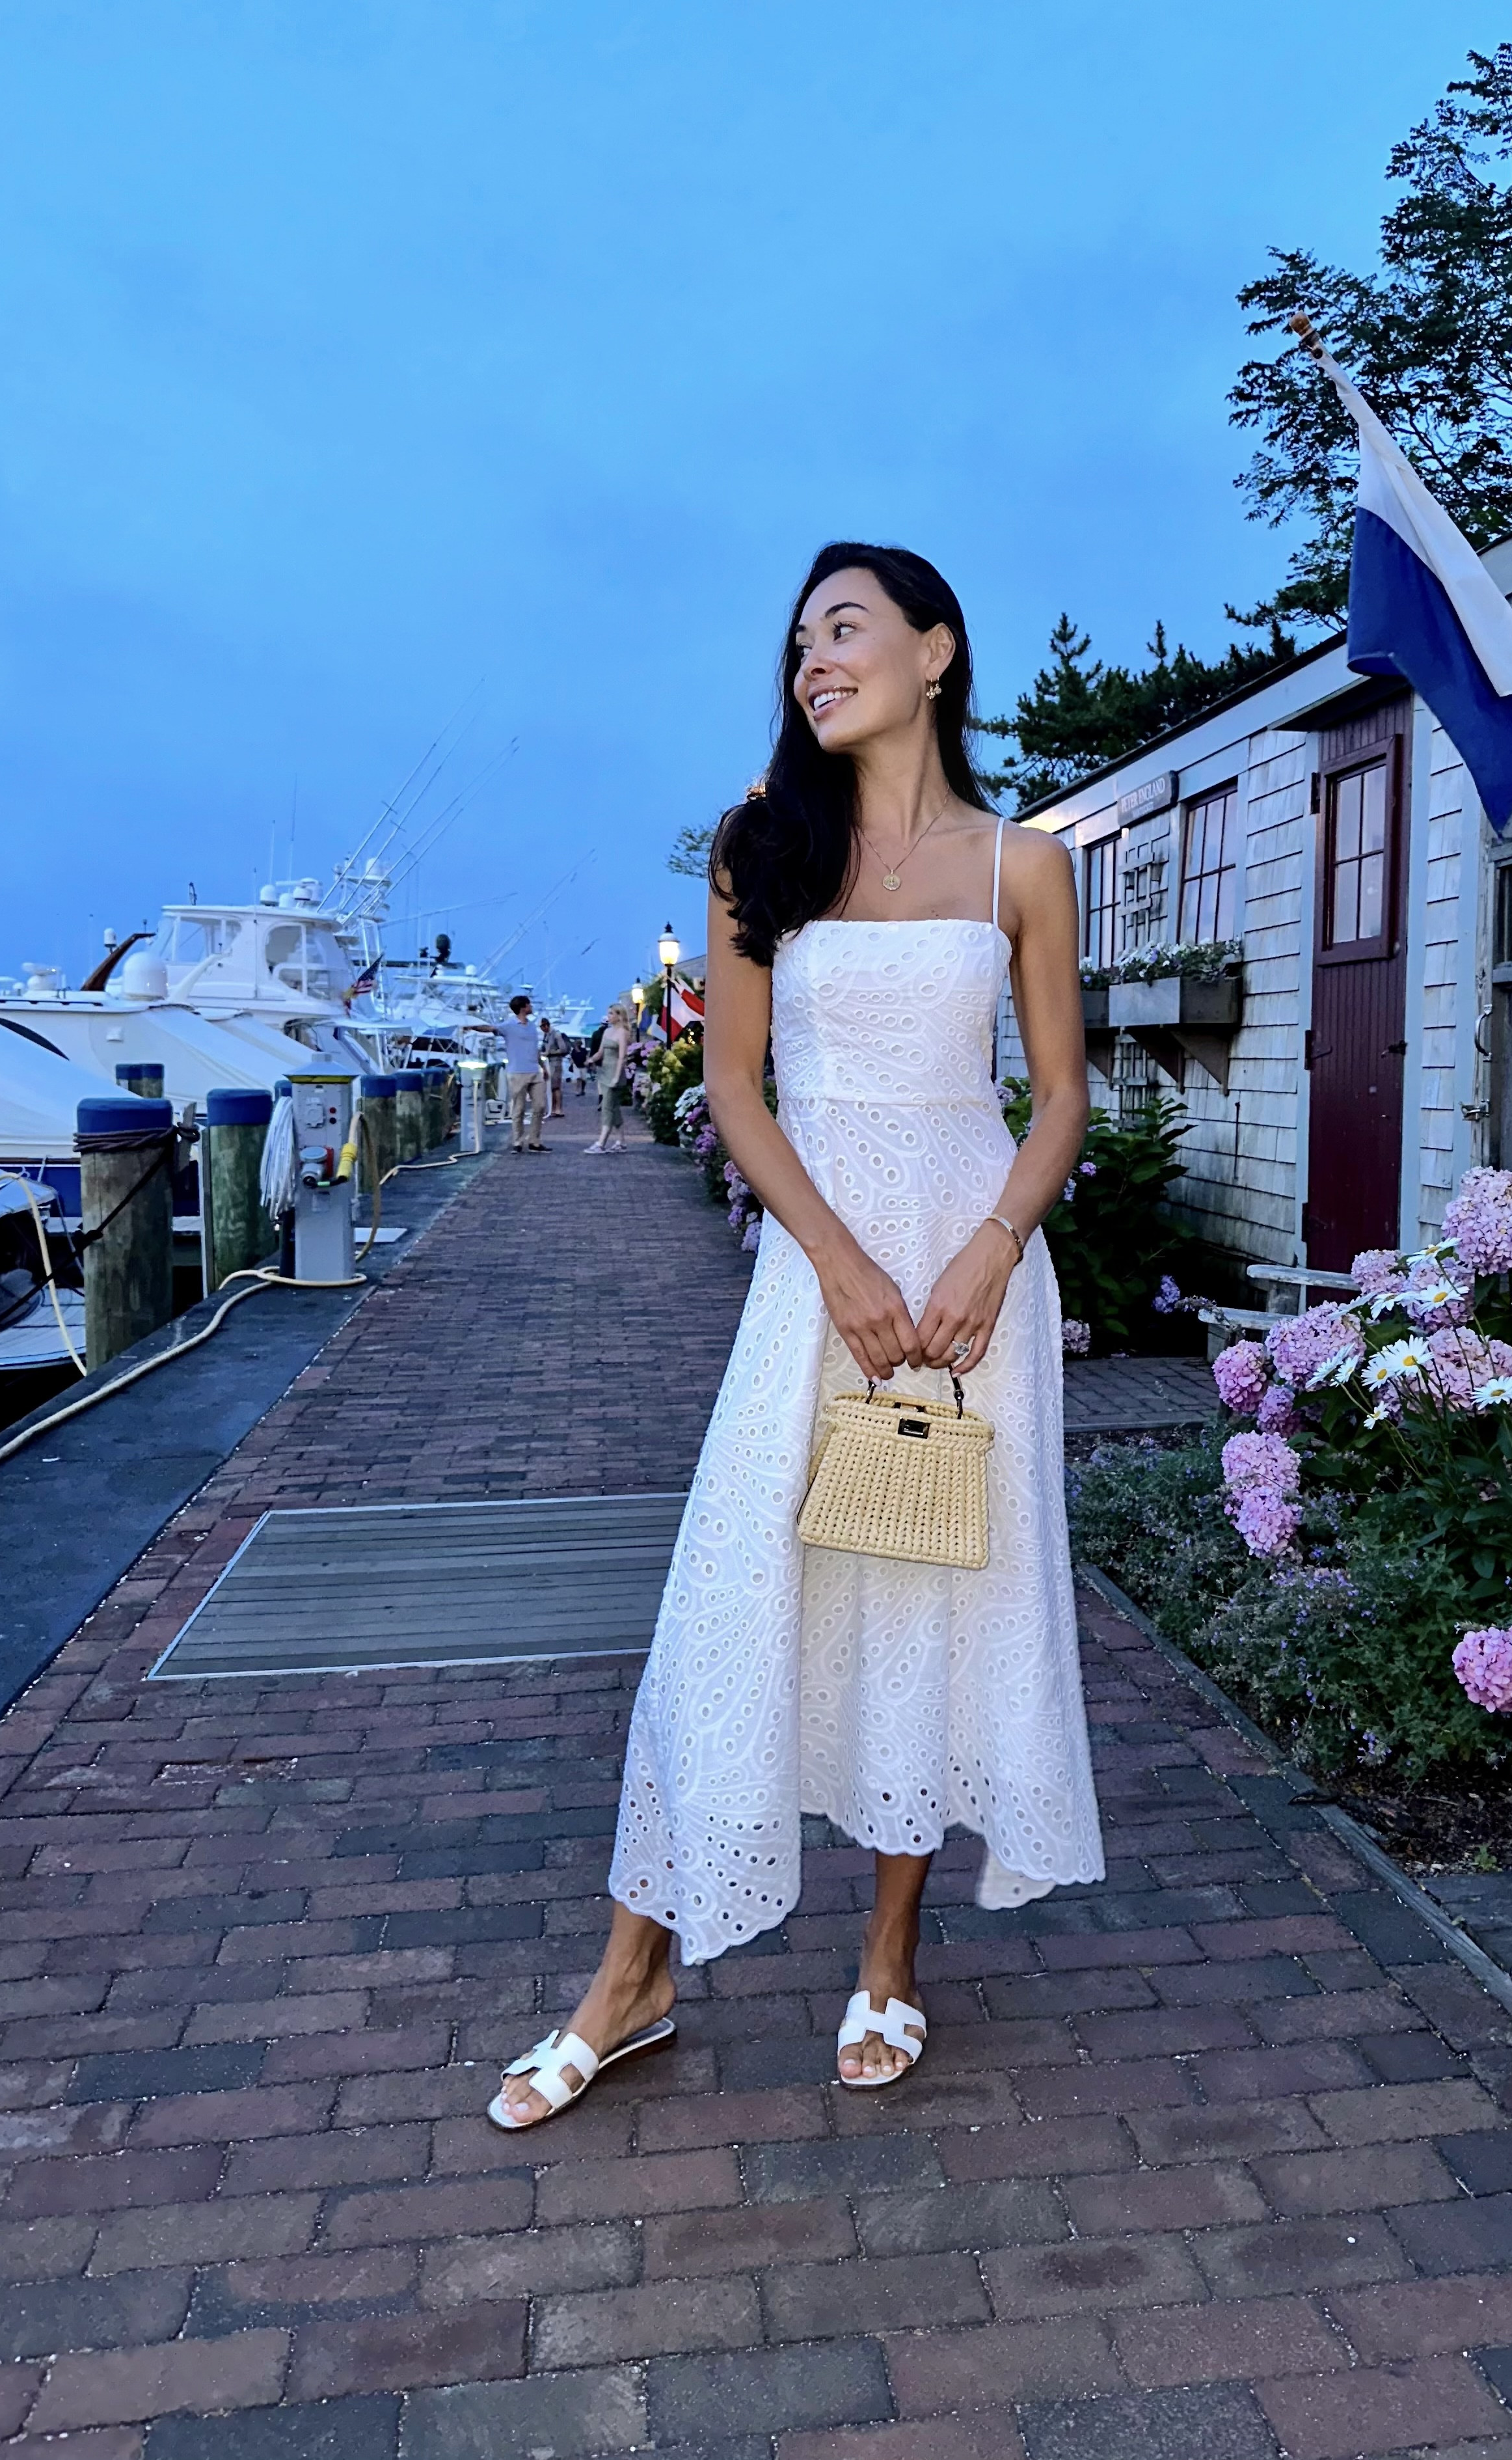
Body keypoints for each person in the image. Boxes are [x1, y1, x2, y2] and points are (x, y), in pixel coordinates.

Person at [490, 542, 1103, 2128]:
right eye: (799, 643)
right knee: (729, 1594)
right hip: (818, 1272)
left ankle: (891, 1959)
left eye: (846, 631)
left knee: (928, 1584)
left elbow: (1061, 1102)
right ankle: (634, 1976)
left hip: (976, 1275)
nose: (813, 662)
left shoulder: (1020, 865)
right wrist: (830, 1258)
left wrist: (988, 1250)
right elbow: (735, 1089)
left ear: (936, 653)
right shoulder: (760, 845)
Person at [488, 994, 547, 1152]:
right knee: (518, 1109)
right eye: (529, 1005)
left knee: (540, 1106)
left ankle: (534, 1141)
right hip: (517, 1073)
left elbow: (535, 1050)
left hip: (535, 1071)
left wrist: (543, 1067)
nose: (531, 1007)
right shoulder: (509, 1025)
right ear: (524, 1007)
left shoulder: (532, 1026)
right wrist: (471, 1027)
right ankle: (518, 1142)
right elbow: (491, 1028)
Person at [587, 1002, 632, 1153]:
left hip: (615, 1073)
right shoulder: (607, 1032)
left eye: (612, 1014)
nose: (609, 1017)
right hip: (604, 1072)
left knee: (607, 1107)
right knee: (614, 1108)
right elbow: (601, 1052)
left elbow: (622, 1057)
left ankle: (601, 1143)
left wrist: (616, 1077)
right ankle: (621, 1142)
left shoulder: (623, 1033)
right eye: (608, 1014)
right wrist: (591, 1060)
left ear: (619, 1016)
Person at [539, 1017, 568, 1117]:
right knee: (550, 1087)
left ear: (546, 1026)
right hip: (548, 1063)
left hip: (556, 1063)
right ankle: (552, 1108)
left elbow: (563, 1049)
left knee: (556, 1087)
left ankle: (558, 1109)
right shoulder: (546, 1035)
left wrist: (550, 1053)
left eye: (542, 1027)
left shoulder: (556, 1034)